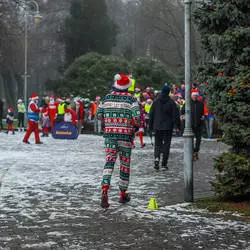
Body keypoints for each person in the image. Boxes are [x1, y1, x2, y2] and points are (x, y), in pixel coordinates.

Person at [96, 73, 141, 208]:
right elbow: (137, 118)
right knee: (124, 165)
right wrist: (132, 124)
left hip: (109, 137)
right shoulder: (131, 99)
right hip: (125, 137)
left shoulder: (107, 98)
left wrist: (109, 121)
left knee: (109, 162)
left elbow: (98, 114)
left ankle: (104, 190)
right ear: (127, 86)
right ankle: (122, 194)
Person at [149, 85, 180, 170]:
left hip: (157, 126)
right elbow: (175, 115)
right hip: (168, 127)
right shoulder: (171, 102)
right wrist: (177, 126)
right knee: (166, 145)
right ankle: (164, 164)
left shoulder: (155, 102)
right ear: (168, 92)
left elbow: (151, 115)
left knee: (157, 144)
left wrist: (150, 127)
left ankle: (156, 159)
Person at [181, 92, 204, 161]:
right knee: (190, 140)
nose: (195, 97)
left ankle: (196, 151)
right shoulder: (188, 103)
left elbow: (202, 113)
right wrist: (182, 116)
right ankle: (192, 152)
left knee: (198, 139)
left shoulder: (201, 104)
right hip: (190, 125)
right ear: (191, 96)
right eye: (194, 96)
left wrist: (203, 117)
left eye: (196, 96)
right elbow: (182, 111)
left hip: (198, 124)